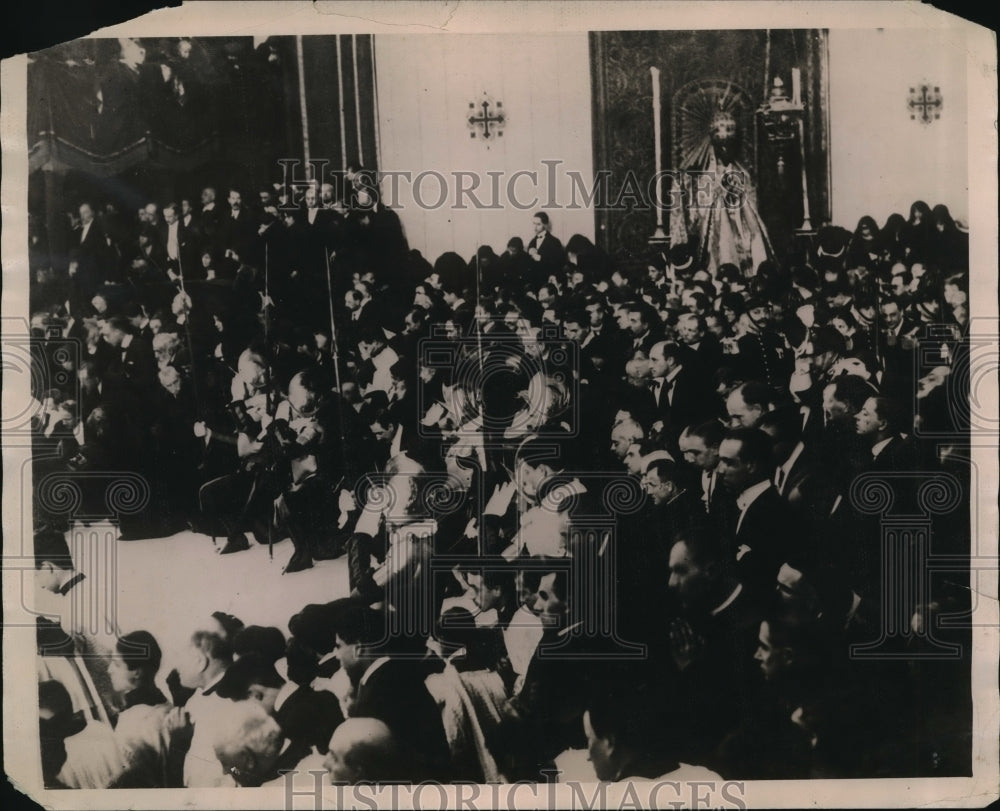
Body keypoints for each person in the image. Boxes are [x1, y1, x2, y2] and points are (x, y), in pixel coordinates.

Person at [669, 108, 773, 276]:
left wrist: (741, 199)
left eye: (729, 145)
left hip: (743, 230)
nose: (725, 150)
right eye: (721, 145)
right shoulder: (703, 178)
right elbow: (698, 215)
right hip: (715, 233)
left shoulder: (743, 174)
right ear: (713, 145)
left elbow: (753, 207)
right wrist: (718, 201)